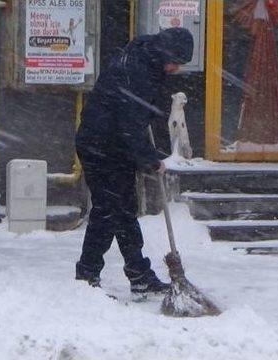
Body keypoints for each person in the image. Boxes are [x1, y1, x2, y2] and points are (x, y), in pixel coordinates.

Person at [74, 28, 194, 296]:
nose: (176, 69)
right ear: (166, 54)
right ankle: (90, 275)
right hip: (101, 145)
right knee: (109, 209)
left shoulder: (144, 59)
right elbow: (127, 122)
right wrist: (150, 159)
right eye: (176, 62)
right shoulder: (138, 70)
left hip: (112, 144)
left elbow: (136, 117)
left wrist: (147, 149)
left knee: (121, 209)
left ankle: (136, 274)